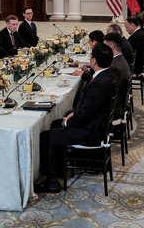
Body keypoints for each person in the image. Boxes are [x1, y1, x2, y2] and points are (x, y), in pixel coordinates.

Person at [36, 44, 117, 193]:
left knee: (46, 137)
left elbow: (84, 116)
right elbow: (90, 109)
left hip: (90, 132)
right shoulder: (108, 76)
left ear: (93, 61)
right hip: (95, 124)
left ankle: (52, 182)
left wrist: (69, 120)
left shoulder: (98, 84)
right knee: (55, 124)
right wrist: (73, 114)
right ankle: (59, 170)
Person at [104, 32, 131, 121]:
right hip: (119, 103)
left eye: (105, 46)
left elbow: (107, 91)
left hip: (114, 109)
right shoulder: (120, 60)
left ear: (111, 47)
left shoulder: (115, 67)